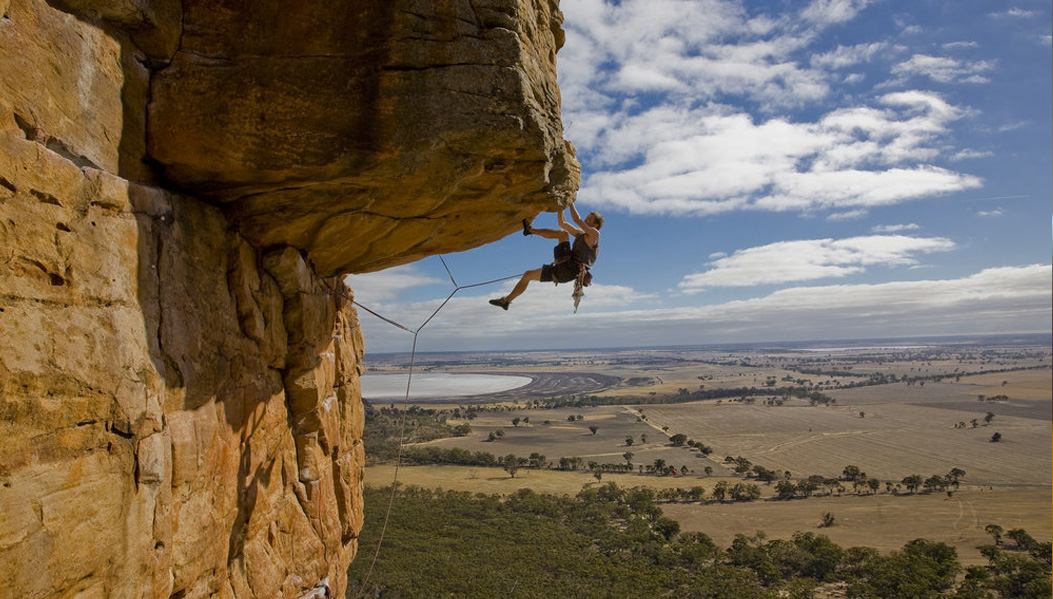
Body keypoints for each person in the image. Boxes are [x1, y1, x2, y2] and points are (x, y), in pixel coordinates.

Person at [489, 203, 603, 310]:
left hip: (569, 268)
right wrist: (560, 208)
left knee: (563, 235)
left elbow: (576, 220)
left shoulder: (595, 235)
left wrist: (570, 202)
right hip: (563, 273)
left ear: (595, 225)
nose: (585, 220)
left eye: (589, 219)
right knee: (527, 275)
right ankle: (506, 301)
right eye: (586, 218)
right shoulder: (580, 234)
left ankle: (530, 230)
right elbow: (562, 223)